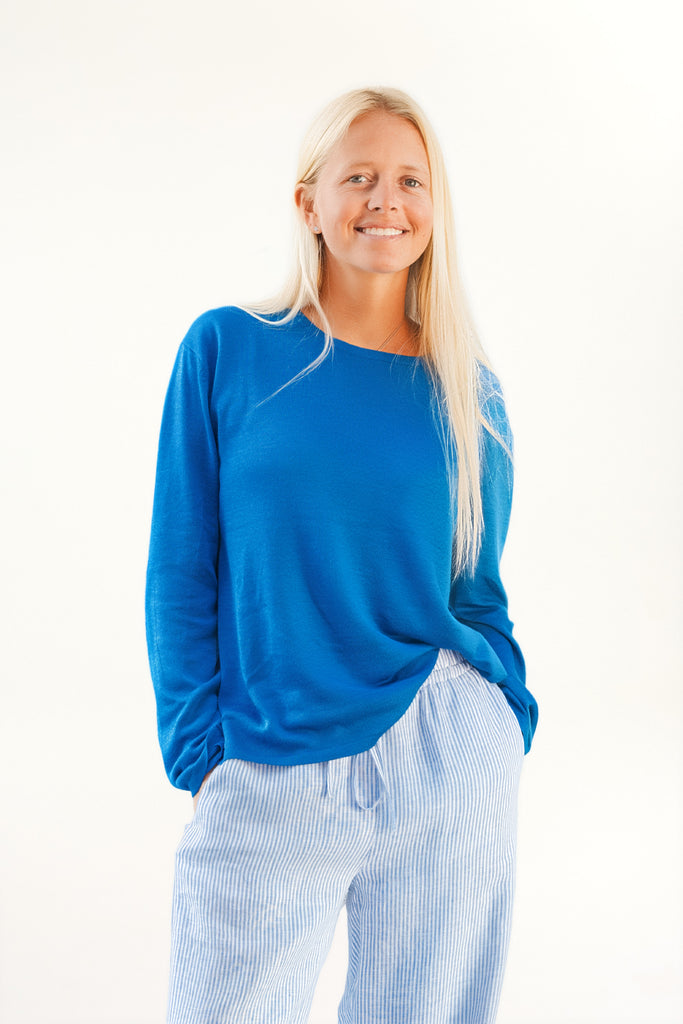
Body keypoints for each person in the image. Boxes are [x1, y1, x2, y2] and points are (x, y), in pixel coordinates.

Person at [146, 85, 538, 1024]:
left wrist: (503, 725)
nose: (384, 200)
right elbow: (180, 566)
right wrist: (200, 755)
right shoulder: (229, 350)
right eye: (357, 176)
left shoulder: (465, 392)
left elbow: (476, 593)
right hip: (271, 755)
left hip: (445, 754)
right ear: (308, 203)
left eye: (410, 180)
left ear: (433, 211)